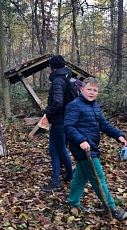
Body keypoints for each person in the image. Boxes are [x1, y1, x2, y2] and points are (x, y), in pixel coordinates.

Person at [64, 77, 127, 220]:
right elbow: (68, 126)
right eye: (89, 89)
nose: (92, 92)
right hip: (83, 148)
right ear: (81, 89)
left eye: (95, 90)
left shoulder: (94, 106)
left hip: (91, 146)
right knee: (98, 177)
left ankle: (73, 203)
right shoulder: (74, 106)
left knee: (81, 176)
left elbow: (103, 124)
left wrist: (119, 135)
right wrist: (81, 140)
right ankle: (111, 207)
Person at [42, 55, 73, 192]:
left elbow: (58, 102)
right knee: (61, 149)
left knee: (56, 151)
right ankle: (70, 175)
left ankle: (55, 181)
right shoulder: (67, 79)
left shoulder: (57, 81)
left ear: (52, 67)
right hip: (66, 121)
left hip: (59, 122)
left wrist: (48, 112)